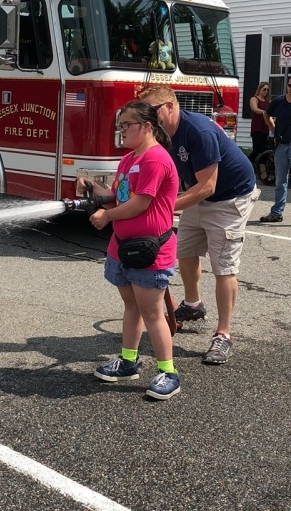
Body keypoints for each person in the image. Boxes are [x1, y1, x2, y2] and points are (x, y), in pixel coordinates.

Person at [138, 86, 260, 364]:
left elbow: (208, 186)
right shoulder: (160, 133)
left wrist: (164, 206)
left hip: (230, 197)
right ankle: (193, 304)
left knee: (223, 266)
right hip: (198, 193)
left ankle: (224, 334)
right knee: (185, 250)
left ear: (169, 107)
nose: (146, 117)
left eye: (151, 110)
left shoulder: (198, 131)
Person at [77, 100, 180, 400]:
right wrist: (93, 189)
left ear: (147, 126)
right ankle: (128, 361)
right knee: (132, 306)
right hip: (123, 248)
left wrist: (107, 216)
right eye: (120, 125)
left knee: (152, 312)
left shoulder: (155, 159)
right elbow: (119, 197)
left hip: (149, 251)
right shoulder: (127, 160)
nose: (121, 131)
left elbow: (140, 204)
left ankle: (169, 372)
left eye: (127, 125)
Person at [260, 79, 291, 222]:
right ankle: (277, 213)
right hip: (281, 146)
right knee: (280, 182)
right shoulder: (278, 101)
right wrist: (272, 128)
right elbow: (266, 114)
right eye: (290, 85)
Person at [248, 82, 270, 168]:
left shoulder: (268, 102)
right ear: (260, 89)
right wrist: (265, 112)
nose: (266, 91)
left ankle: (263, 173)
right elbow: (255, 109)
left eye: (267, 90)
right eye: (264, 89)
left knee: (264, 152)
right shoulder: (254, 99)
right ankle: (245, 165)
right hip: (257, 128)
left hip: (266, 128)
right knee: (257, 150)